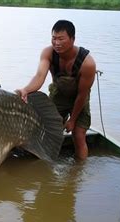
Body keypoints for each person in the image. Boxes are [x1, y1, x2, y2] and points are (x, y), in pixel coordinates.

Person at [15, 20, 96, 160]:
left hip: (79, 99)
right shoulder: (48, 53)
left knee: (78, 135)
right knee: (46, 129)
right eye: (54, 38)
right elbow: (39, 77)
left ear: (72, 39)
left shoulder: (87, 63)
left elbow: (82, 95)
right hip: (58, 95)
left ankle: (79, 172)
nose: (57, 43)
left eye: (61, 39)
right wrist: (26, 90)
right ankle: (44, 163)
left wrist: (72, 120)